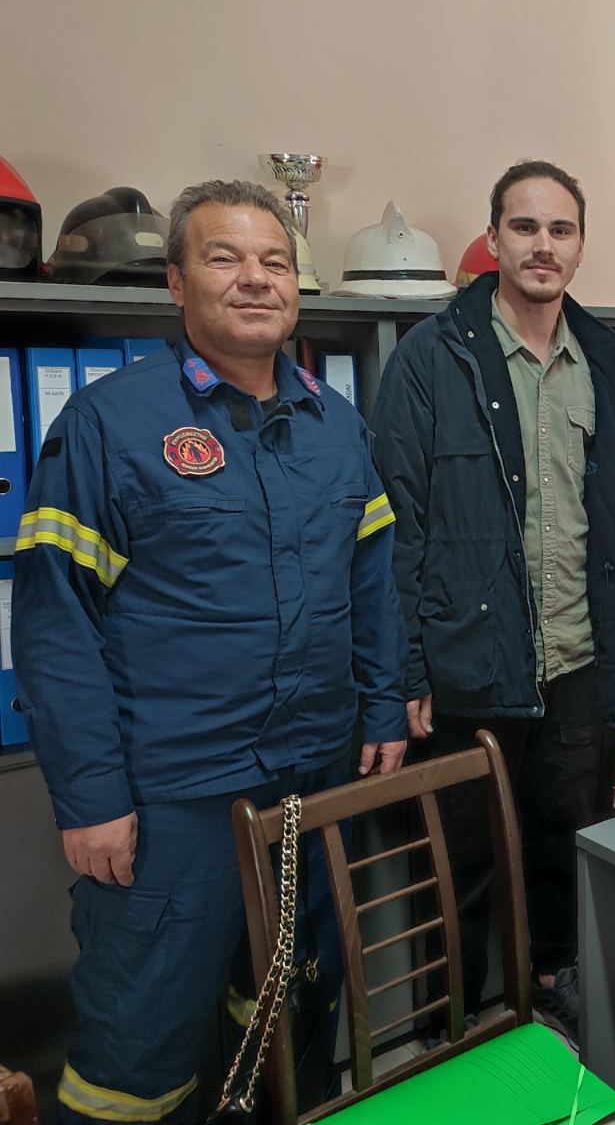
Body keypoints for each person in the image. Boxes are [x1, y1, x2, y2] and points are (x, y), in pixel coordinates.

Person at [14, 179, 406, 1124]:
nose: (256, 279)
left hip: (310, 783)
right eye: (225, 258)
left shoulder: (337, 424)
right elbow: (56, 626)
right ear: (177, 282)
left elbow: (373, 583)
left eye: (276, 262)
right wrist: (91, 798)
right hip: (172, 805)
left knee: (288, 1014)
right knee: (137, 1051)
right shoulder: (108, 425)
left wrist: (385, 704)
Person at [371, 160, 615, 1036]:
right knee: (459, 862)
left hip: (575, 660)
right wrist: (407, 669)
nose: (542, 245)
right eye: (524, 227)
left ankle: (553, 982)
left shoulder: (610, 365)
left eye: (560, 229)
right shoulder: (432, 358)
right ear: (493, 239)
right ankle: (446, 1023)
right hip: (468, 665)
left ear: (580, 245)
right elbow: (396, 527)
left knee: (562, 840)